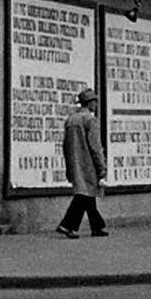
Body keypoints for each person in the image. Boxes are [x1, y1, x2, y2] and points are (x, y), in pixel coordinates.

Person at [56, 88, 108, 239]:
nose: (96, 104)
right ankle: (67, 225)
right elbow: (95, 146)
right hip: (88, 163)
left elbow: (65, 145)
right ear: (90, 103)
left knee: (87, 194)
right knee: (83, 195)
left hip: (74, 162)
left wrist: (68, 166)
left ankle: (97, 226)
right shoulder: (90, 120)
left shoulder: (70, 120)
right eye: (95, 101)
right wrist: (102, 168)